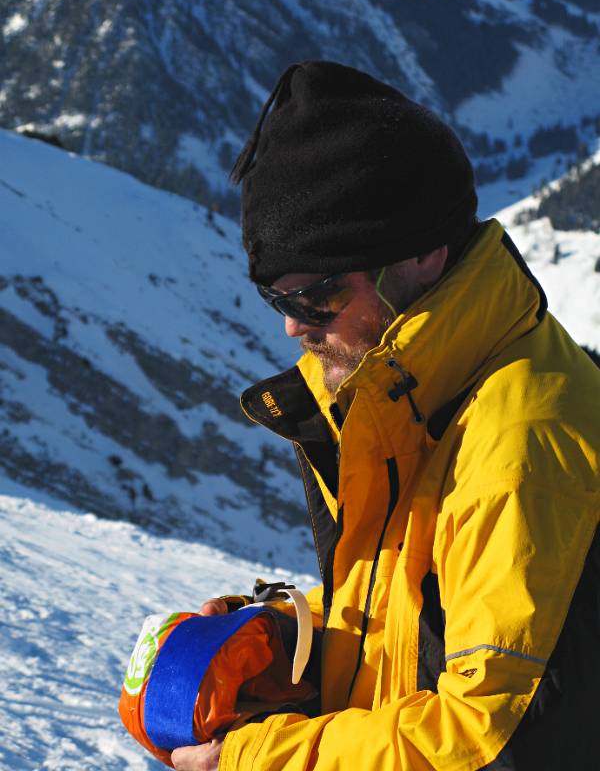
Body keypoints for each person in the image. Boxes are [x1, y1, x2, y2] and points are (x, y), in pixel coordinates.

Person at [171, 61, 600, 771]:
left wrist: (255, 761)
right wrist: (294, 640)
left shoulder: (519, 452)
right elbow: (429, 618)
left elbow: (492, 744)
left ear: (424, 254)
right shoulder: (416, 393)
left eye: (315, 296)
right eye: (277, 299)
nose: (293, 328)